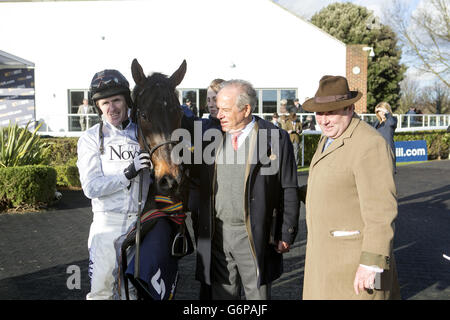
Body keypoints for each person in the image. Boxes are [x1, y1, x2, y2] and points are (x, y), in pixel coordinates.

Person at [193, 79, 299, 300]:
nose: (218, 114)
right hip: (218, 235)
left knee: (256, 297)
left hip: (253, 235)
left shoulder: (275, 138)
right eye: (217, 108)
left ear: (246, 109)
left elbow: (288, 187)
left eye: (225, 109)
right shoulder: (209, 140)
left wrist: (285, 231)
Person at [300, 75, 400, 300]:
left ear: (349, 109)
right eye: (319, 113)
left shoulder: (369, 143)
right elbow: (337, 186)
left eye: (331, 112)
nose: (323, 120)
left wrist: (372, 264)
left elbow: (382, 211)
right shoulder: (329, 138)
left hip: (358, 270)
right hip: (326, 263)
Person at [77, 69, 151, 300]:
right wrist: (127, 173)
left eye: (116, 100)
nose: (112, 108)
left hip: (142, 225)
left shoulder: (144, 133)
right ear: (97, 107)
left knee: (134, 292)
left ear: (127, 100)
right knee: (102, 292)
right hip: (107, 225)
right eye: (105, 103)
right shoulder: (90, 138)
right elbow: (91, 187)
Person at [188, 78, 224, 300]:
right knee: (205, 257)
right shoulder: (197, 127)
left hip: (226, 205)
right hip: (202, 206)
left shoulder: (235, 127)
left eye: (215, 99)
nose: (211, 103)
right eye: (208, 99)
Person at [373, 101, 397, 168]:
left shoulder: (392, 120)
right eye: (380, 111)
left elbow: (391, 123)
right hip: (376, 152)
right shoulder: (376, 123)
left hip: (387, 152)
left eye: (383, 110)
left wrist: (386, 112)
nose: (382, 113)